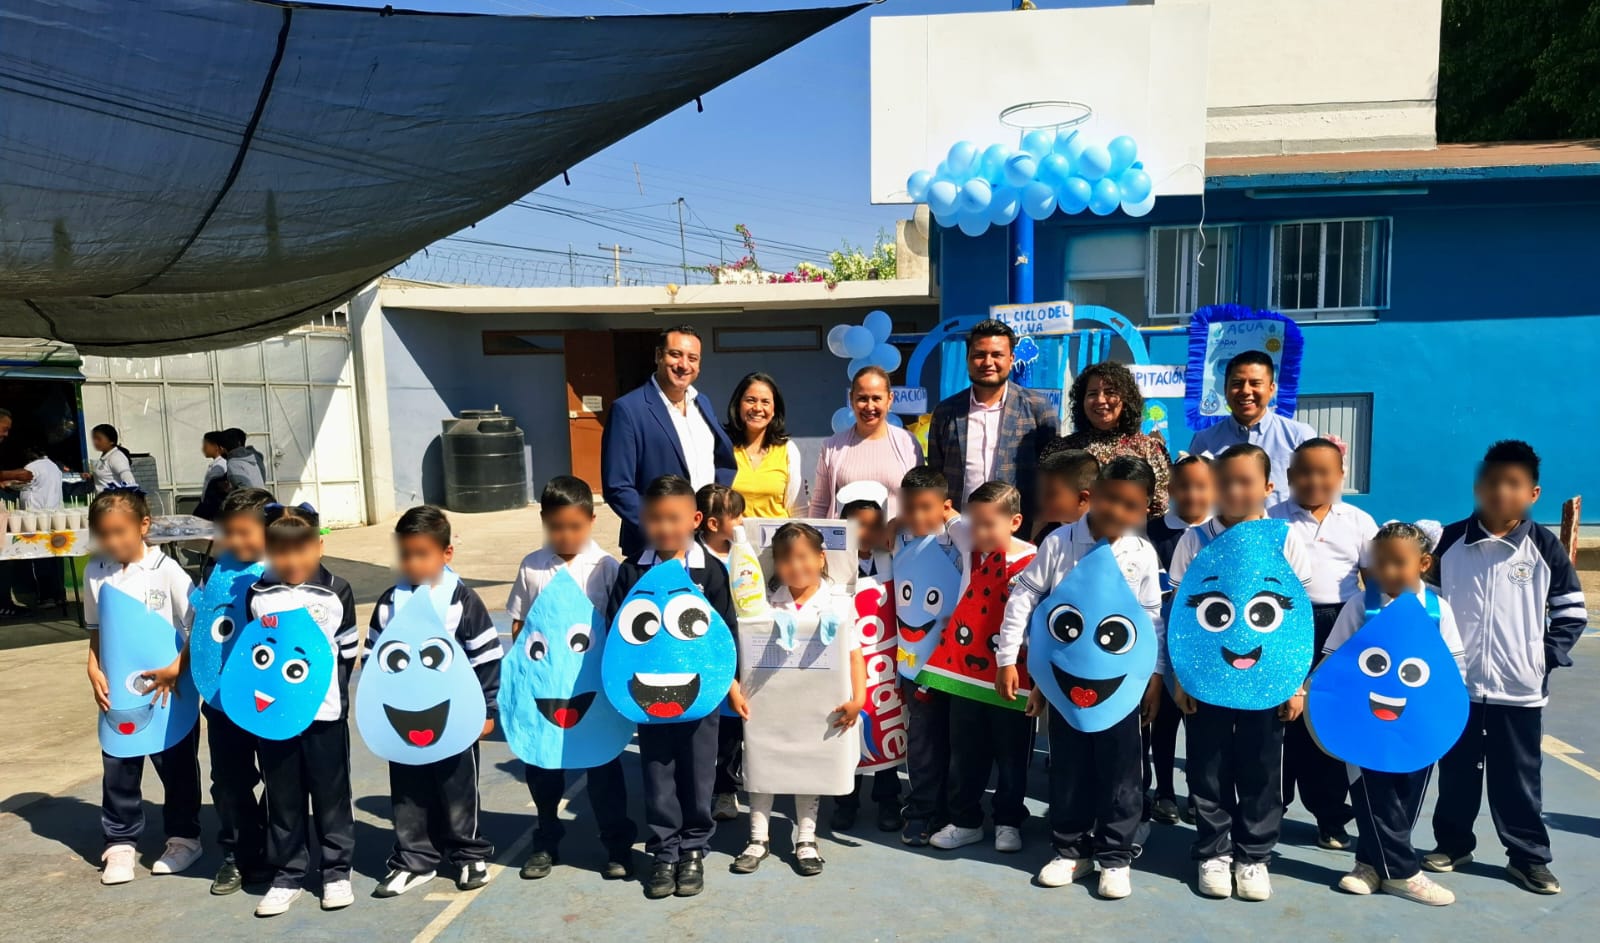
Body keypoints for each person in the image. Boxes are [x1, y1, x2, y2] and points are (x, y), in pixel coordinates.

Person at [996, 457, 1163, 899]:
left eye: (1130, 506)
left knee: (1121, 773)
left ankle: (1114, 856)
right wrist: (1011, 660)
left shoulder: (1142, 553)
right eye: (1110, 498)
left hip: (1119, 690)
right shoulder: (1059, 541)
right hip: (1064, 686)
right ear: (1093, 493)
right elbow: (1027, 601)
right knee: (1068, 767)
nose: (1116, 511)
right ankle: (1070, 849)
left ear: (1143, 509)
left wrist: (1155, 676)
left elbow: (1150, 620)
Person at [1424, 440, 1586, 895]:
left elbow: (1572, 612)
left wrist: (1543, 658)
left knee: (1518, 779)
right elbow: (1422, 603)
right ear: (1478, 487)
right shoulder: (1450, 542)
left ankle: (1528, 857)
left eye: (1513, 484)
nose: (1501, 492)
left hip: (1519, 692)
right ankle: (1453, 845)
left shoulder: (1544, 548)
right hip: (1456, 688)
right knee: (1456, 773)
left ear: (1532, 494)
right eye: (1492, 482)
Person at [1168, 444, 1314, 902]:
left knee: (1261, 768)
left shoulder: (1286, 539)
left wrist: (1295, 683)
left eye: (1245, 481)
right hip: (1207, 679)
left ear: (1269, 487)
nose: (1233, 490)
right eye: (1224, 481)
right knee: (1207, 765)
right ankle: (1213, 850)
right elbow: (1177, 615)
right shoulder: (1195, 539)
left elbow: (1297, 622)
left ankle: (1253, 856)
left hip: (1268, 680)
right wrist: (1180, 678)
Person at [606, 475, 739, 900]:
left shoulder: (711, 571)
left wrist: (731, 683)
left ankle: (694, 849)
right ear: (642, 520)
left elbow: (726, 632)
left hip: (701, 697)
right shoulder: (631, 571)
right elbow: (617, 633)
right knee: (658, 772)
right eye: (654, 519)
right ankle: (664, 851)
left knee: (699, 774)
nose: (664, 528)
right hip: (650, 698)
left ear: (695, 519)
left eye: (673, 519)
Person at [1324, 522, 1465, 906]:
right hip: (1365, 724)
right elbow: (1334, 660)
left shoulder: (1437, 609)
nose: (1386, 572)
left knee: (1405, 797)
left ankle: (1369, 866)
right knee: (1374, 796)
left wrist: (1443, 717)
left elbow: (1453, 670)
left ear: (1423, 563)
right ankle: (1404, 872)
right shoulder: (1363, 604)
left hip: (1416, 726)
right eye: (1380, 562)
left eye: (1397, 563)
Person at [369, 506, 503, 898]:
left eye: (422, 553)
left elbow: (486, 657)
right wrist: (378, 710)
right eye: (405, 554)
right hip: (403, 720)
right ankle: (415, 858)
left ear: (446, 554)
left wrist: (487, 709)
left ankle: (467, 853)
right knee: (409, 789)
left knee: (457, 786)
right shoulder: (390, 602)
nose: (412, 562)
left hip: (455, 719)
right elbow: (374, 659)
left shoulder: (461, 600)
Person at [506, 476, 635, 882]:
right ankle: (546, 838)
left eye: (575, 526)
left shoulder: (606, 568)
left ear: (592, 521)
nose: (566, 534)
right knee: (542, 766)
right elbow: (520, 627)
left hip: (592, 693)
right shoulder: (532, 565)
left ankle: (617, 844)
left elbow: (617, 629)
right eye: (557, 526)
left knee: (603, 768)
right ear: (544, 521)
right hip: (546, 691)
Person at [82, 487, 203, 886]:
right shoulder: (95, 572)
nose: (112, 541)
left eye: (120, 531)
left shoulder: (165, 569)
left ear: (144, 526)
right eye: (103, 534)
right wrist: (93, 666)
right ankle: (119, 843)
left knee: (177, 766)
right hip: (119, 691)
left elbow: (197, 623)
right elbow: (98, 630)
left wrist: (176, 668)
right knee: (119, 765)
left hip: (171, 690)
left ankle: (184, 837)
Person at [732, 523, 866, 877]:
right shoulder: (761, 601)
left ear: (821, 558)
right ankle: (757, 839)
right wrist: (734, 687)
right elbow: (741, 651)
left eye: (804, 558)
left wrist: (859, 699)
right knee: (763, 769)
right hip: (768, 705)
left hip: (819, 709)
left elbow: (855, 656)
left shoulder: (838, 602)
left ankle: (807, 839)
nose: (796, 567)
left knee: (812, 770)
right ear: (775, 564)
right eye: (786, 560)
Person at [246, 504, 359, 917]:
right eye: (280, 553)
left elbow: (348, 654)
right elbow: (255, 655)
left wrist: (331, 699)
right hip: (275, 718)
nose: (291, 561)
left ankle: (335, 872)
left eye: (301, 551)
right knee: (283, 797)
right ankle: (288, 875)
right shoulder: (258, 594)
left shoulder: (337, 591)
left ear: (319, 546)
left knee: (331, 796)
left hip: (324, 717)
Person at [1270, 437, 1378, 849]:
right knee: (1279, 722)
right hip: (1282, 626)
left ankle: (1331, 816)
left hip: (1340, 626)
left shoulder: (1360, 522)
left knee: (1328, 725)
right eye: (1304, 472)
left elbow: (1375, 584)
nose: (1314, 480)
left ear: (1340, 476)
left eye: (1324, 472)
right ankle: (1270, 808)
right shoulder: (1272, 519)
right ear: (1290, 475)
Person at [929, 482, 1036, 856]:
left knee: (1012, 752)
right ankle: (965, 820)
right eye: (974, 524)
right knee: (965, 750)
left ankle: (1008, 820)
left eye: (989, 525)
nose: (979, 532)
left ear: (1015, 521)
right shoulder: (968, 539)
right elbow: (942, 512)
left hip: (1015, 675)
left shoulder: (1036, 559)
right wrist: (895, 524)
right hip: (965, 673)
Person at [197, 487, 276, 894]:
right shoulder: (217, 570)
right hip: (223, 699)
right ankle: (237, 853)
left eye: (246, 532)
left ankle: (274, 851)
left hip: (272, 698)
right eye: (230, 533)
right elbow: (203, 628)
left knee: (282, 779)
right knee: (229, 781)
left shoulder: (285, 567)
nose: (236, 542)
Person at [602, 326, 737, 558]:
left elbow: (722, 461)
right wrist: (664, 527)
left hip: (705, 540)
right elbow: (617, 487)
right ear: (658, 356)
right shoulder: (628, 409)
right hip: (654, 547)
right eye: (675, 354)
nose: (683, 364)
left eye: (692, 358)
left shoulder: (701, 403)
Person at [925, 320, 1058, 531]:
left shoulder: (1037, 408)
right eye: (979, 355)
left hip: (1019, 534)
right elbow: (935, 477)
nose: (988, 362)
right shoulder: (946, 412)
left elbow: (1052, 475)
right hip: (959, 532)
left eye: (997, 355)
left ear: (1011, 359)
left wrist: (1040, 525)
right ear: (967, 359)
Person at [1144, 452, 1213, 825]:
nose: (1192, 494)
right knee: (1164, 720)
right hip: (1162, 643)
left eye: (1201, 486)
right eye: (1184, 486)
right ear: (1170, 489)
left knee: (1201, 725)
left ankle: (1201, 794)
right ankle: (1164, 792)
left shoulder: (1220, 533)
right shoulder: (1151, 531)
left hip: (1206, 648)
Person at [893, 465, 960, 847]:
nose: (918, 516)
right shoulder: (897, 540)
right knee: (921, 743)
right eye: (910, 508)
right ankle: (919, 810)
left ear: (945, 506)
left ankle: (952, 812)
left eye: (927, 507)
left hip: (954, 667)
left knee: (956, 742)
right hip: (913, 669)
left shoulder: (961, 543)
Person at [830, 492, 902, 832]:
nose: (866, 533)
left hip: (885, 661)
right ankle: (846, 802)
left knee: (889, 730)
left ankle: (889, 800)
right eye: (858, 525)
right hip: (848, 663)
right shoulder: (828, 564)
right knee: (848, 729)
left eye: (874, 525)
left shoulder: (893, 558)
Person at [1186, 351, 1316, 507]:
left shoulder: (1299, 437)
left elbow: (1317, 491)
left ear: (1271, 389)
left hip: (1285, 529)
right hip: (1224, 531)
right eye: (1237, 383)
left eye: (1255, 383)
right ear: (1225, 389)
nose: (1246, 391)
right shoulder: (1205, 440)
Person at [1042, 361, 1172, 516]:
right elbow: (1045, 500)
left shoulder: (1150, 449)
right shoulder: (1062, 449)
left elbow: (1159, 506)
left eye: (1110, 392)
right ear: (1081, 402)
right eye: (1092, 394)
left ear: (1126, 400)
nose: (1101, 400)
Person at [694, 481, 746, 822]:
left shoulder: (747, 551)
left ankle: (729, 786)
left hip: (744, 653)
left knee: (734, 727)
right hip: (705, 659)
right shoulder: (694, 561)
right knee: (707, 731)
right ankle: (711, 791)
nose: (744, 521)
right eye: (737, 516)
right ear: (713, 524)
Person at [809, 366, 923, 520]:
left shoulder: (908, 444)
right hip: (846, 542)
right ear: (851, 399)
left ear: (890, 399)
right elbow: (820, 504)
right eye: (862, 398)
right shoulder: (832, 447)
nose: (870, 407)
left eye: (876, 398)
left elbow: (918, 499)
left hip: (896, 542)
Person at [726, 372, 804, 518]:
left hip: (778, 539)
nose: (757, 408)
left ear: (774, 410)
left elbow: (798, 509)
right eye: (750, 400)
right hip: (735, 540)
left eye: (765, 402)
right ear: (738, 405)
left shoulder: (788, 450)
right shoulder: (723, 447)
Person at [1033, 449, 1099, 542]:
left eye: (1051, 494)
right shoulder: (1045, 537)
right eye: (1040, 491)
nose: (1041, 501)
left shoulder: (1110, 539)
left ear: (1082, 498)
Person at [696, 483, 746, 568]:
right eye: (736, 516)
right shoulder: (694, 556)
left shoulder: (742, 549)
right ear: (713, 524)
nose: (742, 520)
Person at [84, 424, 138, 493]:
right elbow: (107, 477)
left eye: (98, 439)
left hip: (114, 501)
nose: (95, 442)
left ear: (111, 441)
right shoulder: (105, 457)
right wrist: (92, 477)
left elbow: (130, 482)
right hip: (104, 500)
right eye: (94, 439)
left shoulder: (116, 457)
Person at [193, 431, 234, 521]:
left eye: (205, 445)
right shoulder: (216, 464)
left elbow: (214, 492)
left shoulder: (219, 466)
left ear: (216, 447)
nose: (203, 449)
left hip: (212, 509)